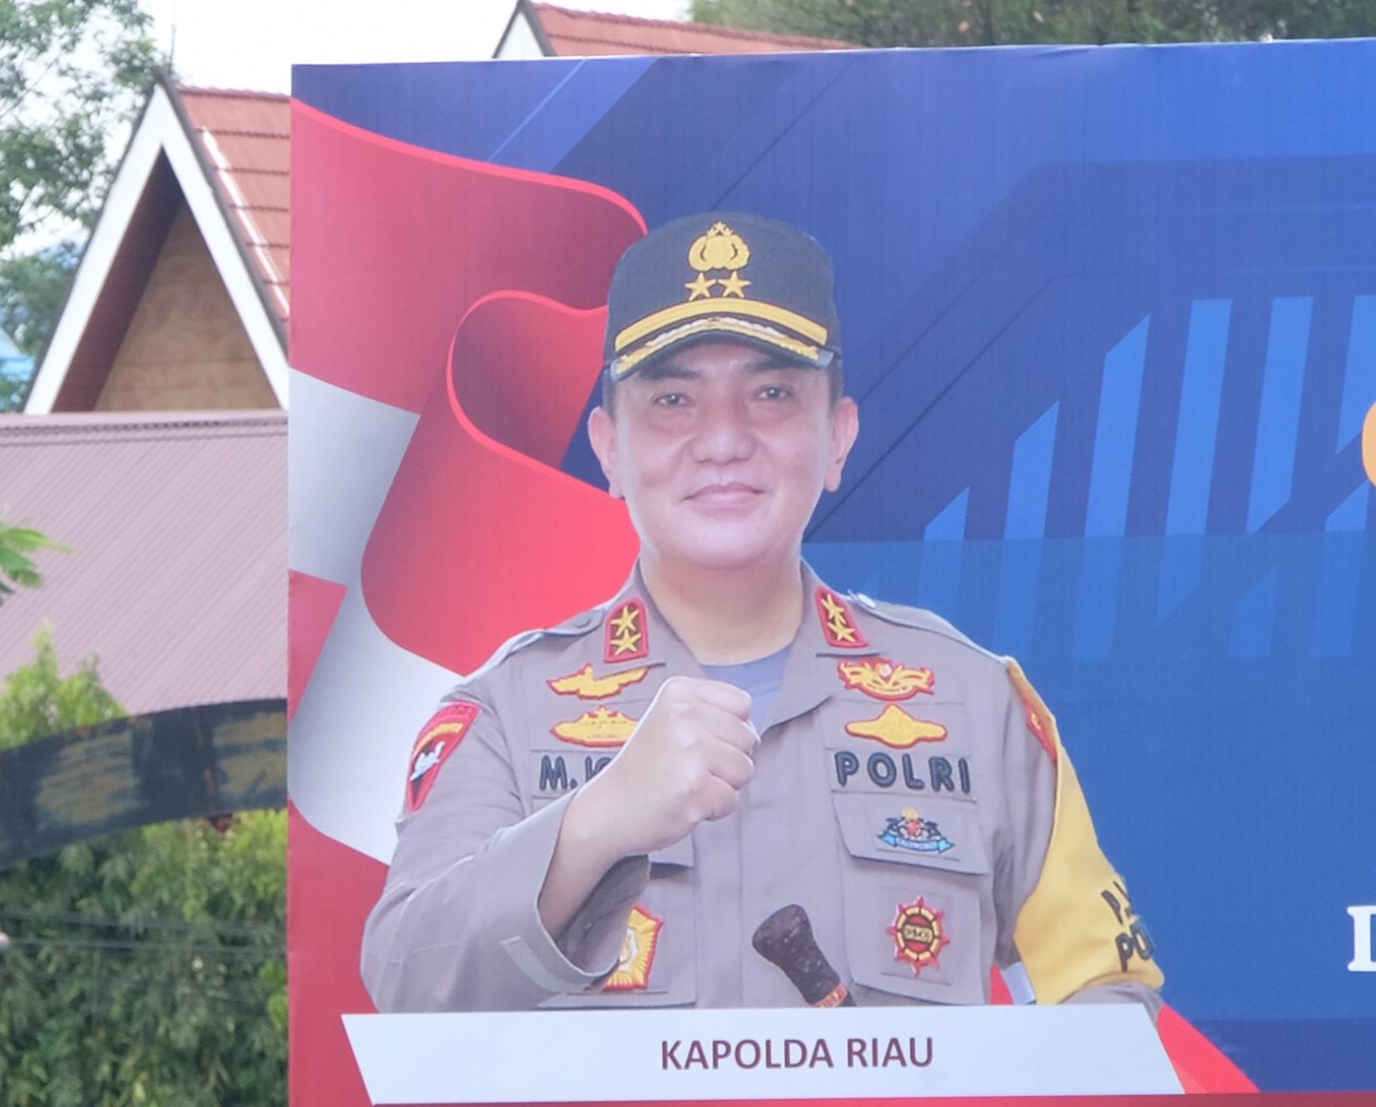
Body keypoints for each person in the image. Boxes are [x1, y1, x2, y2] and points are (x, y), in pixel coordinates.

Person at [361, 214, 1157, 1023]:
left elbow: (1107, 1002)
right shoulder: (506, 711)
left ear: (838, 437)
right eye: (672, 398)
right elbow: (405, 983)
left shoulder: (971, 704)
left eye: (771, 393)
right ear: (607, 448)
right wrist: (589, 825)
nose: (722, 440)